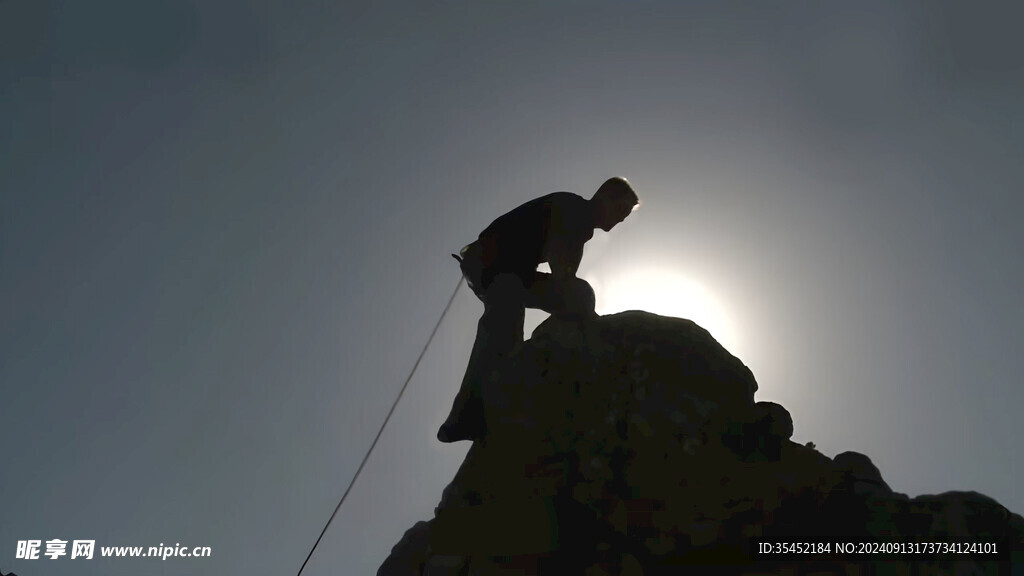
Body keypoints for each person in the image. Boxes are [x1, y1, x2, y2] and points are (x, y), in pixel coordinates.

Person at [438, 177, 639, 443]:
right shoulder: (572, 209)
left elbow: (564, 272)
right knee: (505, 317)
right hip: (491, 262)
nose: (618, 223)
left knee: (578, 295)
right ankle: (467, 414)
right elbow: (560, 260)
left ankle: (551, 363)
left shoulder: (579, 222)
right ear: (605, 197)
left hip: (513, 272)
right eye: (620, 213)